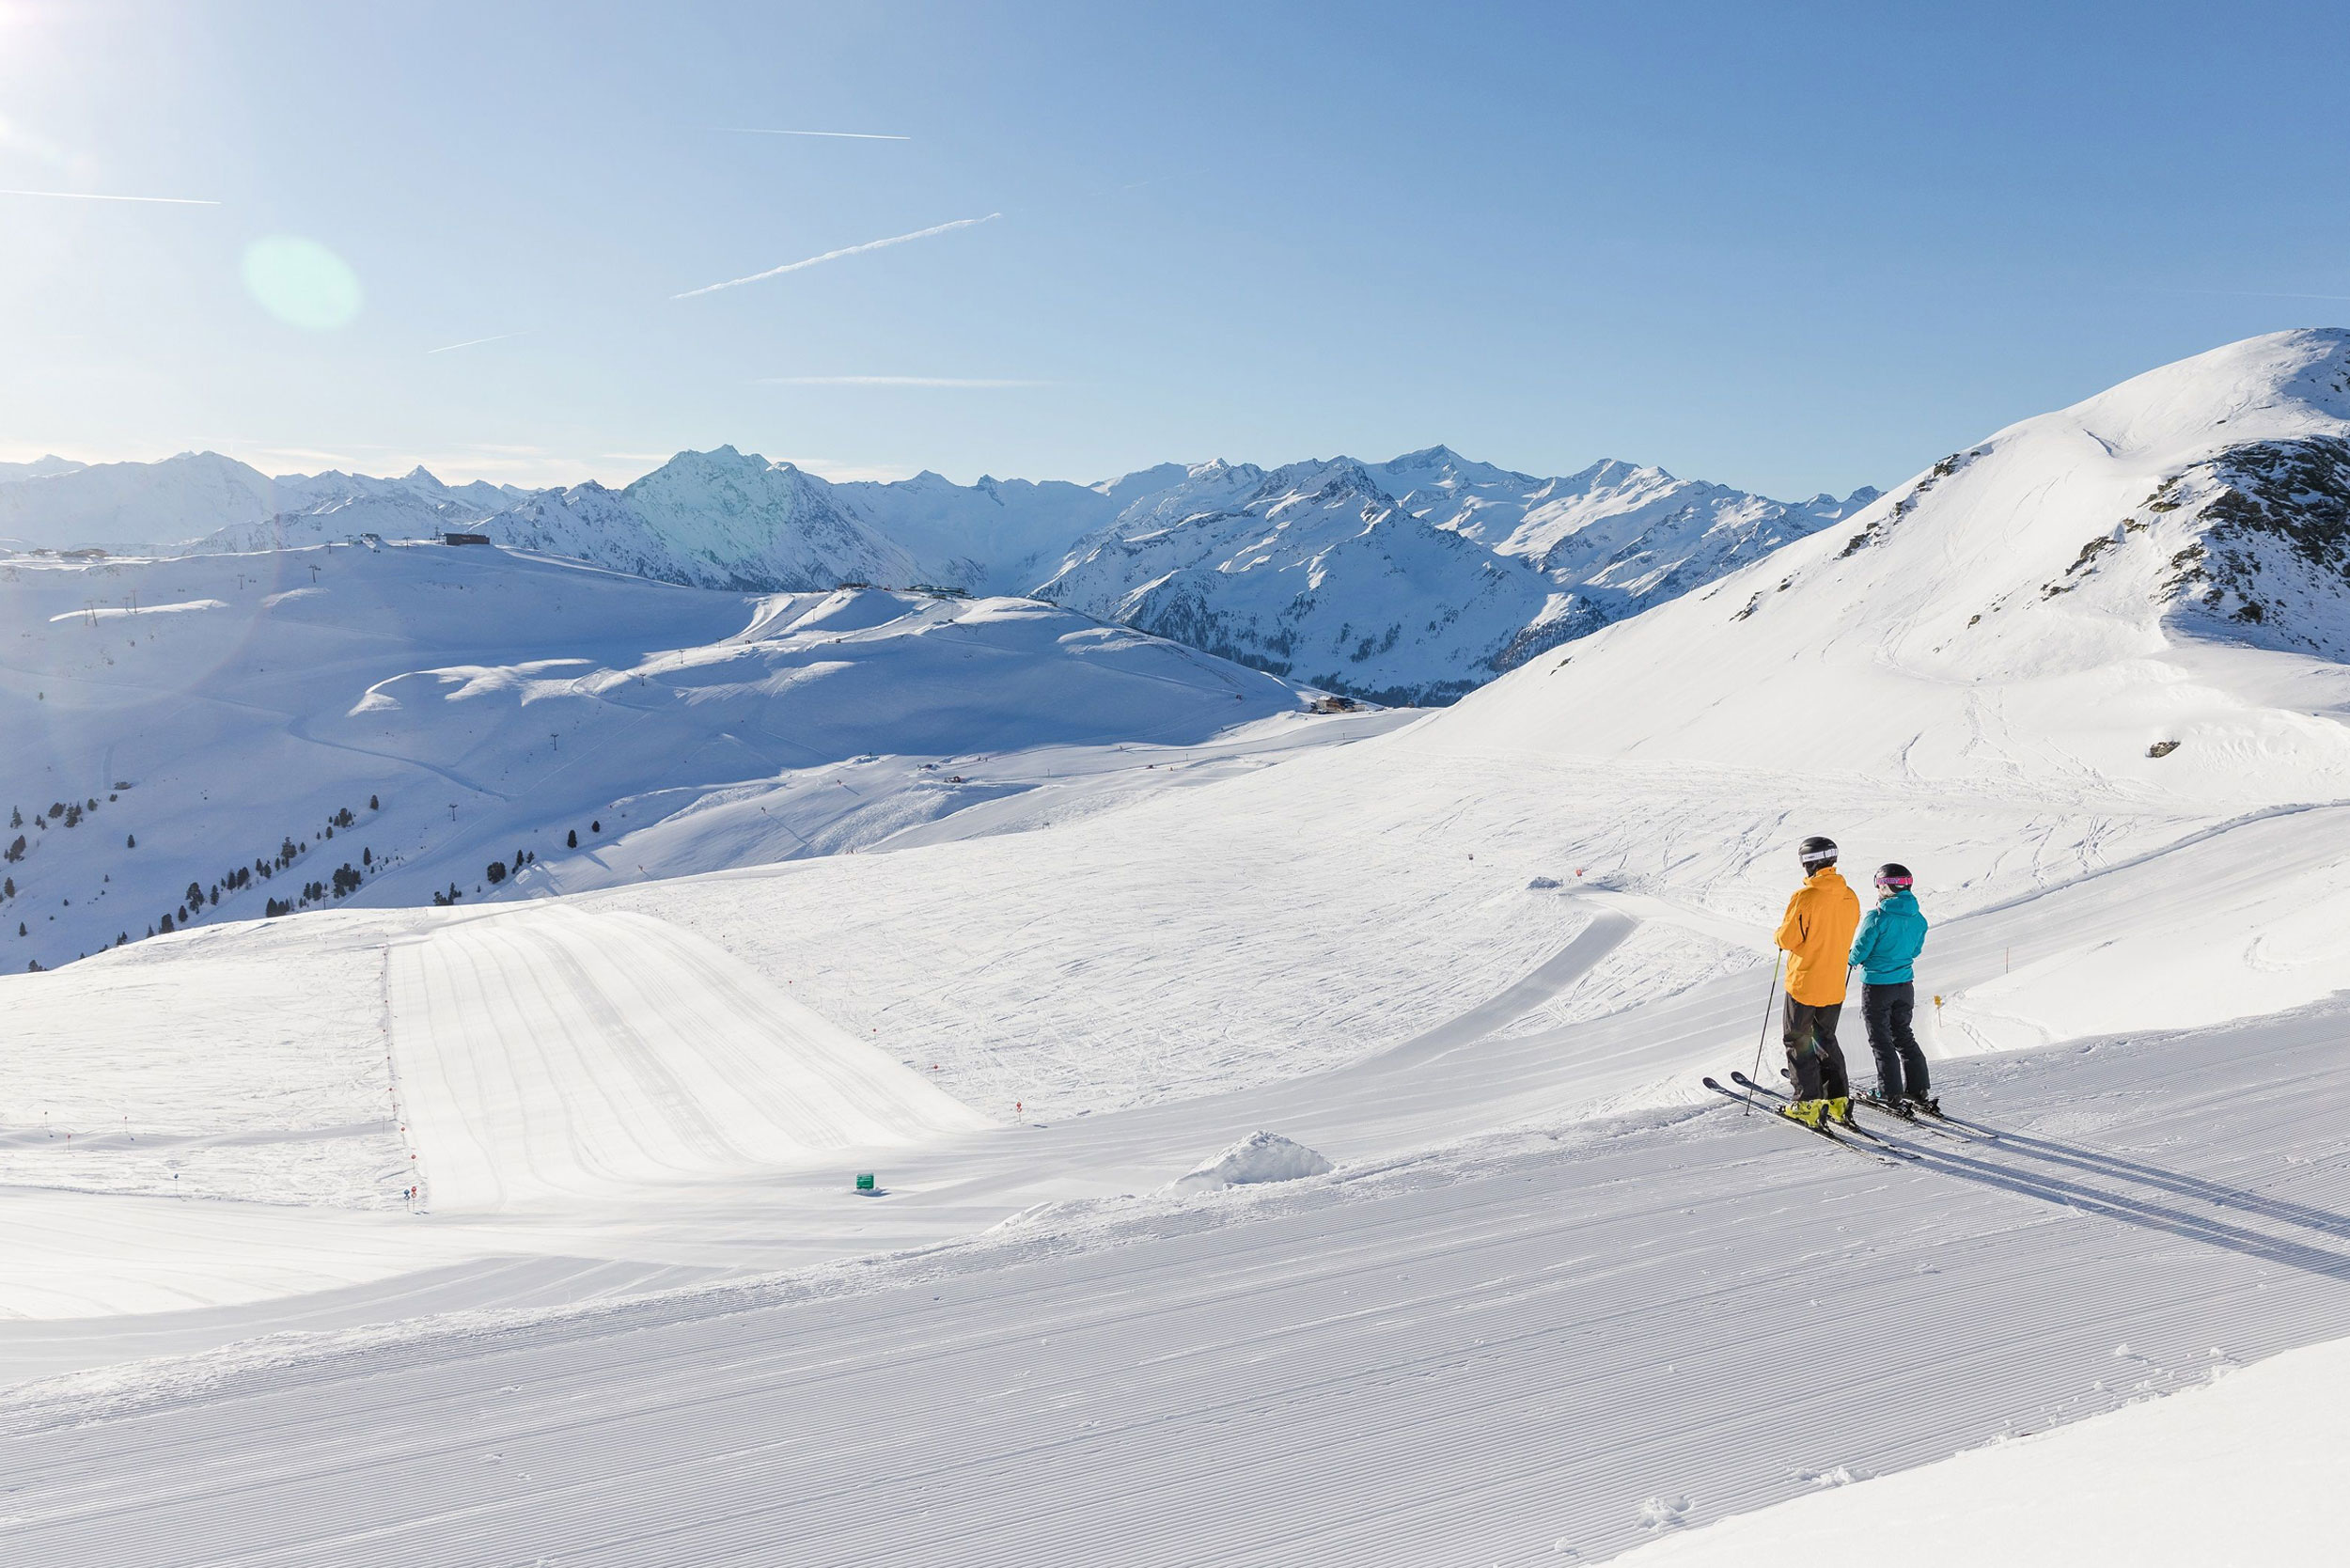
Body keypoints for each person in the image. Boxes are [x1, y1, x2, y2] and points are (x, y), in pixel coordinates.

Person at [1775, 836, 1861, 1128]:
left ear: (1809, 862)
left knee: (1798, 1040)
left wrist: (1778, 936)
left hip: (1805, 982)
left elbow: (1788, 939)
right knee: (1826, 1039)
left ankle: (1808, 1103)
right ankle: (1838, 1101)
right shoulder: (1849, 896)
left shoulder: (1806, 897)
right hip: (1834, 982)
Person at [1849, 863, 1935, 1115]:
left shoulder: (1877, 917)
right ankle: (1918, 1088)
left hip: (1877, 986)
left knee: (1881, 1039)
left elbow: (1861, 949)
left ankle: (1889, 1092)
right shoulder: (1918, 918)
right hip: (1904, 985)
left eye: (1879, 884)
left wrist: (1851, 959)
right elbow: (1915, 950)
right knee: (1903, 1035)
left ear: (1886, 885)